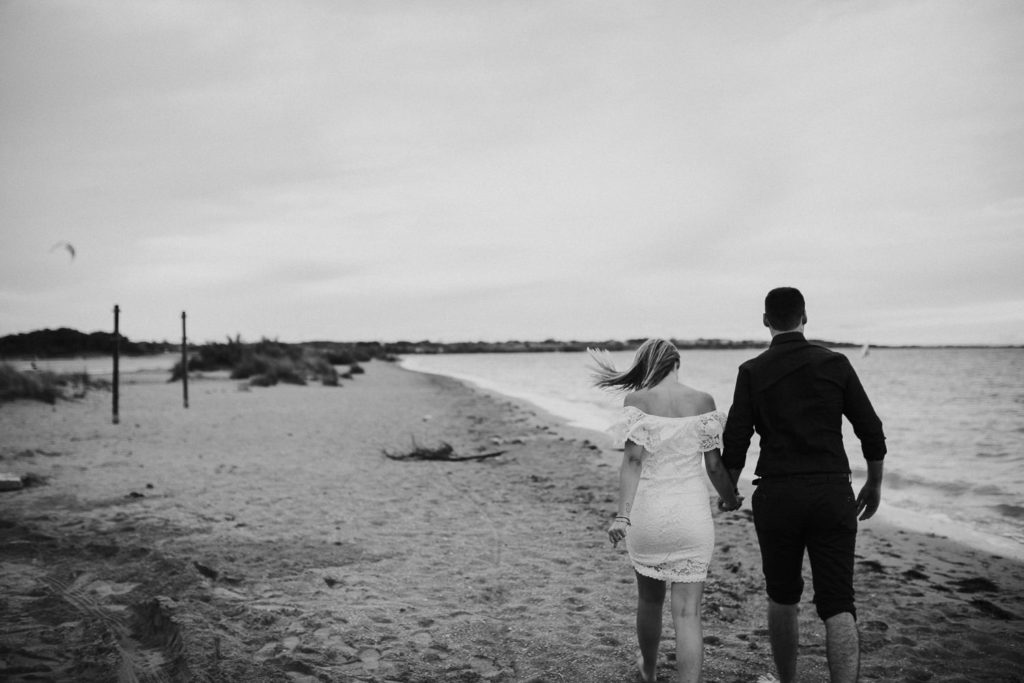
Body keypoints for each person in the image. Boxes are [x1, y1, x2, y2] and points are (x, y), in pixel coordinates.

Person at [721, 287, 887, 683]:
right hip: (831, 493)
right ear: (805, 317)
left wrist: (728, 493)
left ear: (765, 320)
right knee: (838, 603)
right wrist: (875, 484)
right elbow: (871, 430)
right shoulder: (836, 363)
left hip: (777, 496)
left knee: (782, 595)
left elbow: (737, 440)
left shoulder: (751, 371)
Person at [590, 339, 742, 683]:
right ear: (677, 363)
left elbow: (632, 461)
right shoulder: (704, 401)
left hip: (649, 516)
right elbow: (715, 466)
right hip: (692, 516)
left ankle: (650, 669)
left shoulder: (638, 402)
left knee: (649, 600)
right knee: (688, 613)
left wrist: (622, 515)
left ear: (649, 365)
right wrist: (730, 498)